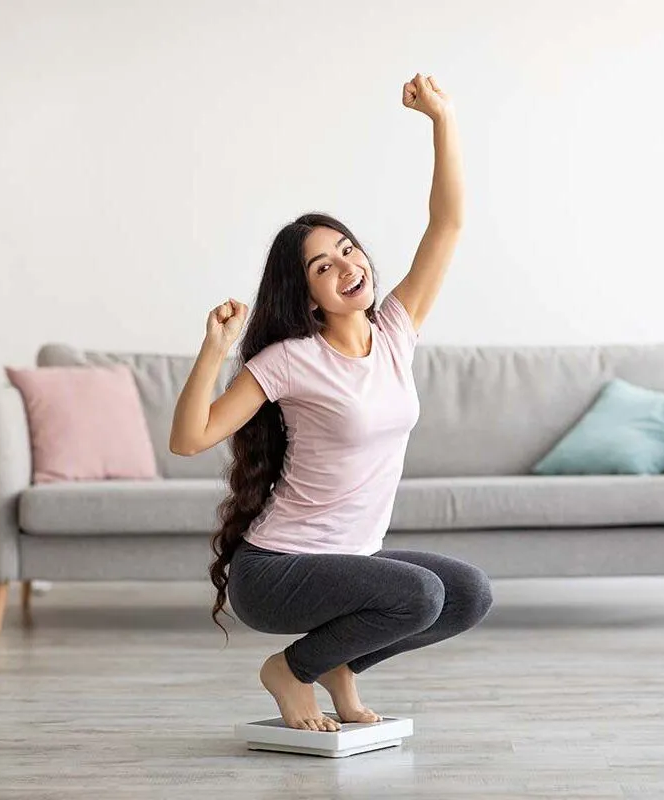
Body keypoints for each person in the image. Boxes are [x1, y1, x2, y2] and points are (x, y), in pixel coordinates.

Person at [170, 74, 492, 733]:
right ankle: (291, 673)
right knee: (422, 593)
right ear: (309, 294)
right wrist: (214, 347)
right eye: (323, 266)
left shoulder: (396, 331)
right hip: (276, 573)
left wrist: (443, 118)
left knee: (464, 594)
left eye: (347, 249)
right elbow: (190, 438)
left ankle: (338, 664)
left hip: (348, 566)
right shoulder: (291, 359)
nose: (347, 266)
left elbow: (449, 222)